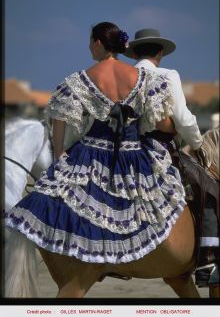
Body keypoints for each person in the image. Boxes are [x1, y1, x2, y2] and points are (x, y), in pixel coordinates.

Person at [4, 22, 187, 278]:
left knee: (74, 205)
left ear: (99, 44)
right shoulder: (145, 79)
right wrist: (172, 130)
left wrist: (59, 154)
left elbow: (61, 118)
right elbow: (161, 122)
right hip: (135, 156)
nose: (89, 47)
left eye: (91, 42)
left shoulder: (79, 80)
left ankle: (93, 259)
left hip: (91, 153)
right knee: (143, 207)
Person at [124, 28, 219, 287]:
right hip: (158, 148)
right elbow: (183, 118)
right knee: (209, 188)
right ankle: (209, 261)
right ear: (161, 52)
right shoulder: (167, 74)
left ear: (135, 53)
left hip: (124, 149)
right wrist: (197, 143)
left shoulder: (125, 75)